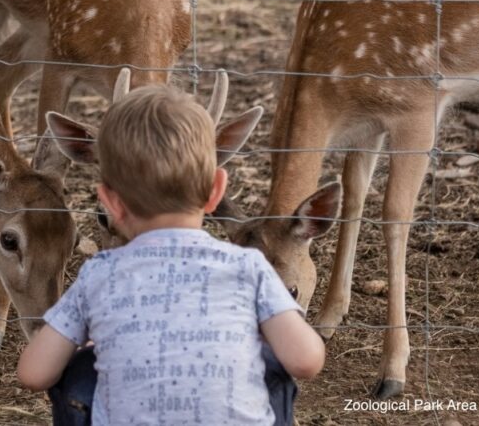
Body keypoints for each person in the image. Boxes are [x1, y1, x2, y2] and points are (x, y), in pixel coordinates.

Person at [17, 86, 325, 425]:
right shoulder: (248, 267)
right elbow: (306, 361)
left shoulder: (98, 275)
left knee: (78, 369)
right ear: (216, 191)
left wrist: (101, 347)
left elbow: (33, 373)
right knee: (268, 361)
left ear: (110, 202)